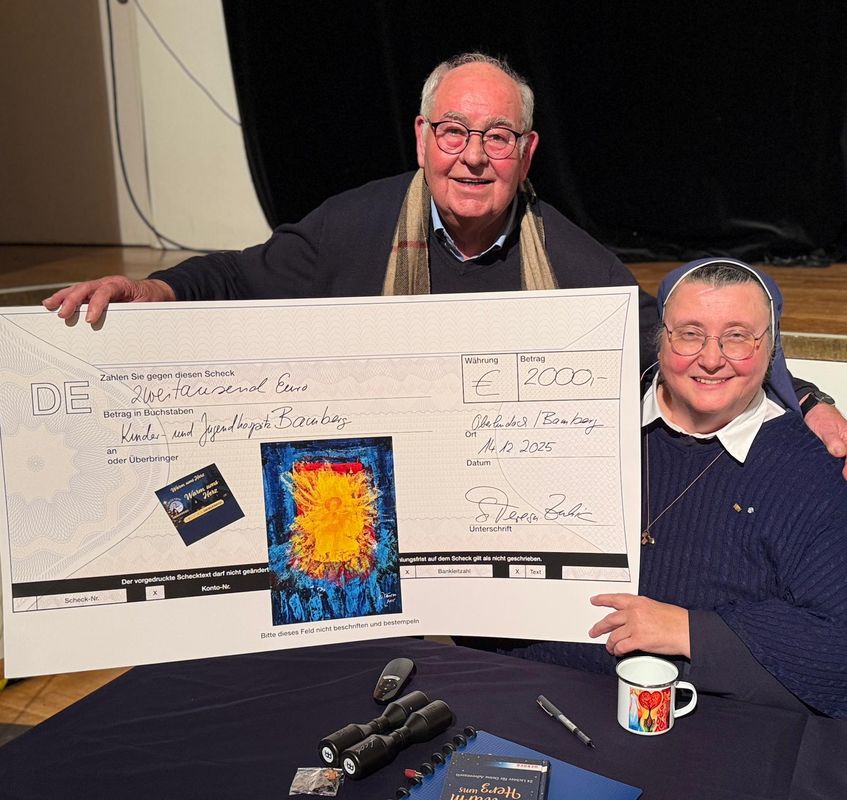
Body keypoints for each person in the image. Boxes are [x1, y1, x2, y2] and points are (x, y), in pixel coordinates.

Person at [42, 51, 847, 456]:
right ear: (423, 137)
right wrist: (152, 292)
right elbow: (237, 275)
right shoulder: (351, 227)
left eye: (496, 137)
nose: (472, 157)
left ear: (526, 152)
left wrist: (803, 399)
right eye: (454, 132)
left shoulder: (564, 257)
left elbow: (672, 339)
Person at [507, 258, 847, 718]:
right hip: (530, 696)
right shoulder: (570, 422)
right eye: (689, 333)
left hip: (701, 728)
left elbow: (837, 644)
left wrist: (692, 631)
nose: (711, 358)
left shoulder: (811, 471)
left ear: (770, 348)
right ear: (660, 339)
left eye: (737, 336)